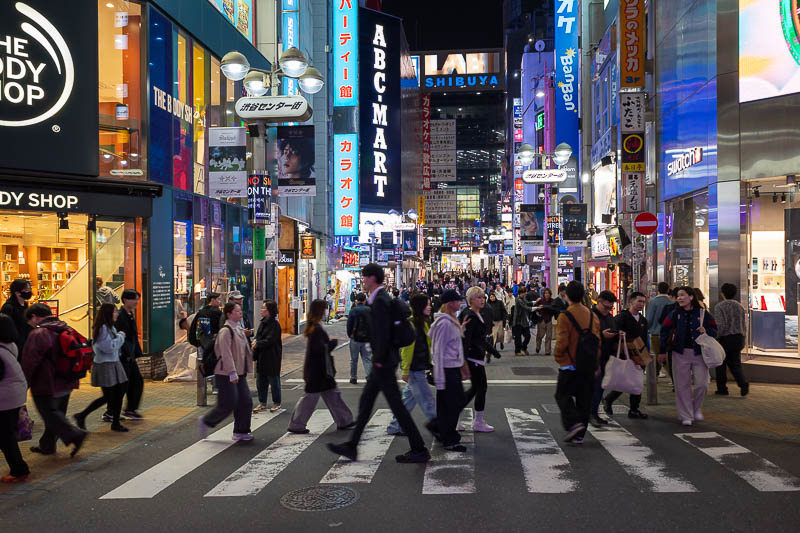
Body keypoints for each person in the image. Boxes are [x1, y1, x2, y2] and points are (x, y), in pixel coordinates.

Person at [327, 263, 430, 463]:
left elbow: (383, 333)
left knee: (397, 407)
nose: (363, 281)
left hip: (383, 363)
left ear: (373, 278)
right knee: (366, 404)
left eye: (365, 277)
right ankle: (352, 445)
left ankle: (419, 448)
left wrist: (380, 360)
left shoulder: (381, 300)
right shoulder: (380, 299)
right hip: (383, 361)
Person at [21, 304, 87, 457]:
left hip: (46, 383)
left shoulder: (38, 333)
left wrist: (25, 383)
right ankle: (47, 446)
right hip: (67, 380)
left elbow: (29, 361)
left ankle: (76, 435)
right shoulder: (65, 328)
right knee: (57, 415)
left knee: (50, 414)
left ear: (34, 317)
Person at [287, 300, 353, 433]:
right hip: (318, 371)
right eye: (324, 309)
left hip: (318, 370)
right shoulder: (316, 329)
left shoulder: (314, 327)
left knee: (331, 395)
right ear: (320, 311)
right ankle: (296, 424)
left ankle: (344, 420)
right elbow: (319, 350)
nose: (326, 311)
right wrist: (331, 344)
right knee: (313, 398)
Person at [660, 286, 718, 426]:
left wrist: (706, 331)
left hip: (699, 353)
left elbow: (714, 329)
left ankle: (696, 408)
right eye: (678, 296)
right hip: (679, 353)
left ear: (691, 297)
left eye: (682, 295)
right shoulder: (674, 314)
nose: (679, 298)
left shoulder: (703, 313)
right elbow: (664, 330)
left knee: (702, 385)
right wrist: (662, 351)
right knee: (682, 386)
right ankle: (686, 415)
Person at [198, 302, 255, 440]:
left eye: (240, 311)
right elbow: (225, 353)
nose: (240, 313)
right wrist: (232, 372)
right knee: (228, 403)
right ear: (229, 314)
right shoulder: (226, 331)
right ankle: (206, 421)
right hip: (225, 373)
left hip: (239, 372)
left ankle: (241, 431)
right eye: (237, 311)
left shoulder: (238, 329)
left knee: (245, 401)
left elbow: (244, 351)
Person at [553, 281, 600, 444]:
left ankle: (574, 423)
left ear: (566, 295)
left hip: (569, 363)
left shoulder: (565, 315)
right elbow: (597, 341)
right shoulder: (592, 315)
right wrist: (596, 363)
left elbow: (562, 341)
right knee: (584, 398)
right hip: (587, 363)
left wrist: (558, 356)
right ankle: (579, 435)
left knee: (562, 395)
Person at [74, 304, 129, 432]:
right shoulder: (103, 329)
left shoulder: (109, 327)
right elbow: (109, 347)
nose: (117, 314)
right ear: (108, 313)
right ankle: (83, 415)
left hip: (112, 363)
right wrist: (121, 336)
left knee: (116, 393)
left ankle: (112, 421)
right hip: (106, 365)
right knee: (111, 395)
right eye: (115, 312)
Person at [386, 293, 436, 436]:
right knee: (428, 401)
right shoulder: (413, 324)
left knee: (408, 399)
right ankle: (439, 426)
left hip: (419, 366)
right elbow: (407, 350)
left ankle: (395, 425)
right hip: (415, 368)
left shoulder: (424, 322)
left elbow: (429, 344)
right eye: (427, 304)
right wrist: (405, 370)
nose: (430, 306)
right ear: (420, 306)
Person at [429, 289, 470, 451]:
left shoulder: (450, 320)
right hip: (446, 370)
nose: (460, 303)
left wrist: (462, 328)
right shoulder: (445, 322)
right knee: (452, 404)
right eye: (457, 301)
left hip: (451, 369)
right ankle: (449, 439)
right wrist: (439, 377)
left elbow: (453, 343)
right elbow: (438, 350)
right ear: (449, 303)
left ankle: (440, 429)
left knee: (451, 404)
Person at [604, 291, 650, 419]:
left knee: (636, 382)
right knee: (624, 381)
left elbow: (644, 339)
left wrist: (645, 354)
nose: (641, 304)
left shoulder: (643, 320)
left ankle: (634, 409)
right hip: (625, 354)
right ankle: (609, 399)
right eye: (639, 301)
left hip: (638, 355)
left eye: (643, 301)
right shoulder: (622, 317)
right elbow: (613, 333)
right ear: (631, 302)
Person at [461, 286, 501, 432]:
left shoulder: (477, 314)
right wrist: (463, 361)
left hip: (475, 356)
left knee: (476, 389)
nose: (482, 300)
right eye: (479, 297)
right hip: (472, 358)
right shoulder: (470, 315)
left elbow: (479, 338)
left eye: (483, 297)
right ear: (471, 300)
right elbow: (467, 340)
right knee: (480, 387)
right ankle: (477, 421)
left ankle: (458, 417)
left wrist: (492, 350)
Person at [0, 313, 30, 482]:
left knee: (6, 437)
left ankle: (19, 470)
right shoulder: (10, 344)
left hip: (5, 398)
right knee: (6, 434)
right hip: (13, 395)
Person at [714, 283, 749, 397]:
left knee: (721, 364)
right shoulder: (740, 306)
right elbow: (743, 323)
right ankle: (742, 383)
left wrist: (716, 336)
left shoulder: (720, 306)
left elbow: (720, 324)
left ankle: (722, 388)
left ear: (722, 293)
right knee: (735, 363)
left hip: (725, 338)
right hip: (739, 338)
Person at [115, 289, 145, 421]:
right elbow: (120, 337)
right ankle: (112, 411)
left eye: (138, 299)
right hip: (122, 356)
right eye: (134, 299)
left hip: (129, 356)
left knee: (136, 382)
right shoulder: (120, 316)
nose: (137, 302)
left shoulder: (130, 314)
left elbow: (133, 337)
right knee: (123, 386)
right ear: (125, 300)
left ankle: (130, 409)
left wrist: (137, 354)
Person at [589, 290, 618, 427]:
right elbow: (586, 336)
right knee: (594, 388)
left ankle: (594, 413)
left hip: (607, 357)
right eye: (605, 307)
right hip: (593, 357)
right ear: (598, 302)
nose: (607, 310)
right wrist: (601, 334)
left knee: (600, 388)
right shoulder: (590, 316)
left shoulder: (610, 317)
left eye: (610, 308)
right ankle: (591, 414)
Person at [252, 300, 282, 413]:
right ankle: (262, 403)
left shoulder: (275, 325)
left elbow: (270, 340)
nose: (261, 310)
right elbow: (258, 336)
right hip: (261, 357)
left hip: (272, 357)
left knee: (274, 381)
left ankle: (276, 402)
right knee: (261, 381)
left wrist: (257, 343)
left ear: (269, 311)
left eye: (264, 308)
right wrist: (255, 341)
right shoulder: (263, 322)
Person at [1, 279, 33, 358]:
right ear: (17, 292)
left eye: (29, 289)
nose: (29, 292)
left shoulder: (25, 304)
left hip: (25, 341)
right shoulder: (8, 307)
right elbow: (5, 328)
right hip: (14, 344)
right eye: (26, 290)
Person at [345, 292, 372, 384]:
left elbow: (349, 325)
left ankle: (353, 377)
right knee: (367, 358)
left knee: (354, 359)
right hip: (367, 339)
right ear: (364, 300)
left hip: (355, 338)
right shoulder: (369, 310)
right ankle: (368, 376)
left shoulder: (353, 311)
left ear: (356, 300)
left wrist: (350, 335)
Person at [647, 282, 672, 377]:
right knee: (665, 355)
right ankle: (654, 375)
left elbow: (649, 319)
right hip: (669, 334)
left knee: (657, 355)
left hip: (656, 333)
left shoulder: (653, 302)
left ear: (657, 290)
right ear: (668, 289)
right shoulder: (671, 302)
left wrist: (647, 328)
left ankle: (655, 376)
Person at [512, 287, 534, 356]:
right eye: (524, 292)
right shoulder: (518, 300)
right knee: (518, 337)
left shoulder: (523, 299)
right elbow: (526, 307)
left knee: (528, 336)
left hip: (524, 321)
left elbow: (528, 303)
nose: (525, 293)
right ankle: (517, 351)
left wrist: (536, 301)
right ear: (521, 293)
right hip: (518, 321)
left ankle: (524, 348)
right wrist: (536, 308)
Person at [534, 288, 557, 355]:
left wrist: (544, 307)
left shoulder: (552, 301)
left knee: (548, 336)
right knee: (540, 335)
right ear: (543, 294)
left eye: (548, 293)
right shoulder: (540, 300)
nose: (547, 295)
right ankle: (538, 347)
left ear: (550, 294)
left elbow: (553, 308)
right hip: (541, 320)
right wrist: (537, 312)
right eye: (545, 293)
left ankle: (547, 350)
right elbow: (536, 307)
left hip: (549, 319)